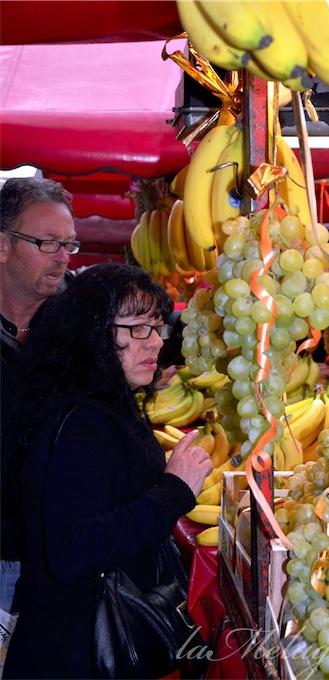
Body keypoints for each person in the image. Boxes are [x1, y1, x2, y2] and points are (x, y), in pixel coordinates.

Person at [3, 263, 212, 679]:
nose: (153, 342)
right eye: (136, 328)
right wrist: (175, 488)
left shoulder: (104, 403)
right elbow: (73, 548)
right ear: (93, 334)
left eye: (156, 327)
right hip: (77, 653)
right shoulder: (83, 419)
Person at [0, 177, 77, 615]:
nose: (62, 258)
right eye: (47, 243)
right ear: (2, 246)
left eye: (69, 245)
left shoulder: (79, 327)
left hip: (58, 557)